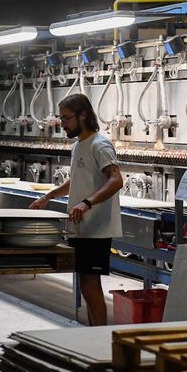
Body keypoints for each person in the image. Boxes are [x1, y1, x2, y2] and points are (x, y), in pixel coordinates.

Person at [29, 93, 123, 326]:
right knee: (86, 284)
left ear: (83, 115)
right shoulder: (79, 145)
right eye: (61, 119)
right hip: (82, 228)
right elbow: (77, 180)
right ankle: (93, 334)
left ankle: (99, 337)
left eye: (66, 119)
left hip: (95, 228)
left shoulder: (99, 145)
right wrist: (48, 196)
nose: (62, 125)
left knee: (91, 285)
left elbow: (116, 180)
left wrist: (87, 203)